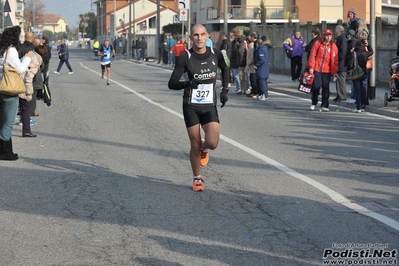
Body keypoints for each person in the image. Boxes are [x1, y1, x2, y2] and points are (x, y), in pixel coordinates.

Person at [167, 24, 229, 192]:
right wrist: (188, 83)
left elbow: (225, 69)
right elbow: (172, 83)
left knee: (212, 143)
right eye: (195, 35)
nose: (199, 38)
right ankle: (197, 177)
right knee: (194, 143)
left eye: (202, 34)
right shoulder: (185, 57)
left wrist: (225, 90)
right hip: (191, 105)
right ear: (191, 37)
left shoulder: (216, 54)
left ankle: (204, 148)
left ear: (208, 36)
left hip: (209, 105)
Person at [0, 26, 33, 160]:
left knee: (2, 121)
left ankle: (6, 150)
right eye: (19, 36)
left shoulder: (2, 50)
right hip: (9, 90)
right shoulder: (11, 50)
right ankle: (5, 151)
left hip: (1, 87)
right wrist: (27, 58)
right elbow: (19, 69)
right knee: (8, 122)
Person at [306, 29, 338, 112]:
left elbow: (335, 60)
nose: (328, 37)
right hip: (317, 69)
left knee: (325, 87)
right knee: (316, 86)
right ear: (324, 36)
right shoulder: (318, 43)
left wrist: (334, 72)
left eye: (330, 35)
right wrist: (311, 67)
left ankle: (324, 105)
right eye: (327, 35)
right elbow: (312, 55)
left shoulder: (333, 46)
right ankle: (314, 102)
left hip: (326, 70)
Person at [19, 45, 46, 138]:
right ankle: (26, 131)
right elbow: (28, 78)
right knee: (26, 109)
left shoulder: (29, 55)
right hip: (22, 86)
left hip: (16, 82)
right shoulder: (36, 61)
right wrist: (29, 93)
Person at [349, 31, 373, 113]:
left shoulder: (354, 52)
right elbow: (372, 51)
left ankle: (358, 107)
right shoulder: (365, 53)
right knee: (364, 89)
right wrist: (368, 45)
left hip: (356, 73)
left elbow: (350, 63)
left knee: (357, 90)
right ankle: (363, 105)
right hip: (365, 71)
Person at [333, 25, 348, 102]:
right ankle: (339, 95)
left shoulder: (342, 39)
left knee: (341, 79)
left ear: (338, 31)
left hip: (342, 63)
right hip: (339, 63)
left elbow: (343, 52)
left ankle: (342, 95)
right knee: (338, 79)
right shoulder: (340, 39)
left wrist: (336, 57)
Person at [245, 32, 260, 99]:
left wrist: (248, 63)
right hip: (252, 64)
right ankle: (253, 91)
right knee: (252, 79)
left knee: (253, 79)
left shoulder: (252, 46)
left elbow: (251, 56)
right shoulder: (252, 45)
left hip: (252, 65)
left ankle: (255, 91)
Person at [230, 29, 241, 93]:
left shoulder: (237, 42)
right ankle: (238, 87)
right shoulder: (234, 42)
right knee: (236, 75)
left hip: (235, 61)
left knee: (237, 75)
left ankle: (239, 87)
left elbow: (235, 51)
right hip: (234, 61)